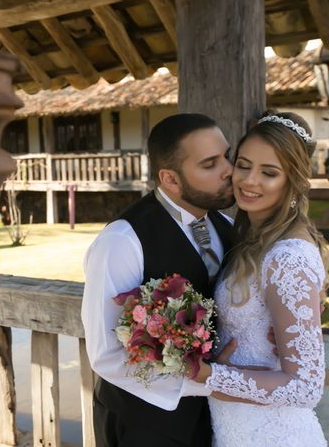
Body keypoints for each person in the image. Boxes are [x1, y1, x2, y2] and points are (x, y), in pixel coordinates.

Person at [82, 113, 235, 447]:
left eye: (227, 156)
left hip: (219, 421)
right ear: (170, 179)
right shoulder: (122, 241)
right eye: (210, 164)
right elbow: (107, 355)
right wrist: (212, 382)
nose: (229, 170)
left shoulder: (226, 226)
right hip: (146, 426)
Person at [192, 111, 328, 446]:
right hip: (236, 429)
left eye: (269, 173)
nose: (249, 181)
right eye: (243, 164)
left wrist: (211, 376)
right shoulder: (252, 237)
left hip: (275, 435)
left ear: (292, 180)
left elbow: (307, 386)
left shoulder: (287, 258)